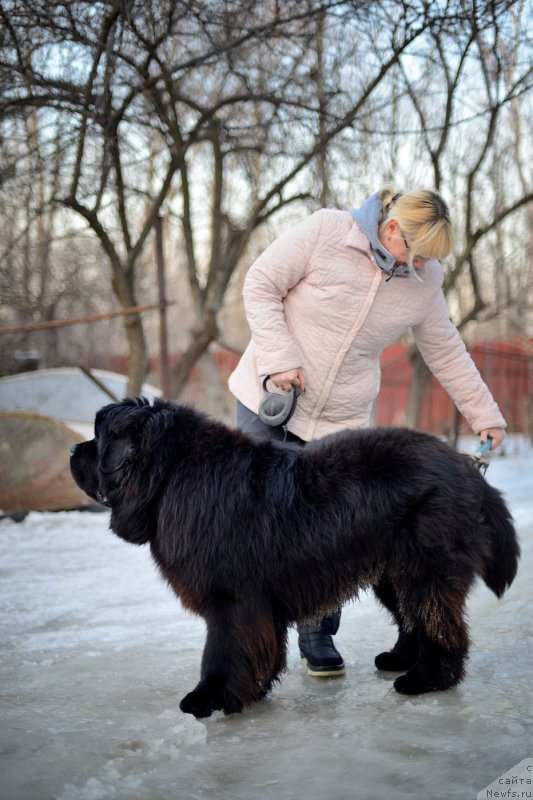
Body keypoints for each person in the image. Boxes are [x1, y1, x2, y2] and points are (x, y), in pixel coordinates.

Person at [228, 183, 507, 678]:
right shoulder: (327, 231)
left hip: (340, 419)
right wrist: (278, 360)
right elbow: (261, 284)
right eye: (416, 254)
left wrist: (484, 414)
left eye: (429, 262)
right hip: (269, 398)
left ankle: (317, 635)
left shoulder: (424, 279)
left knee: (329, 531)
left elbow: (444, 348)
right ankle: (252, 641)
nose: (420, 267)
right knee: (258, 527)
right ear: (392, 226)